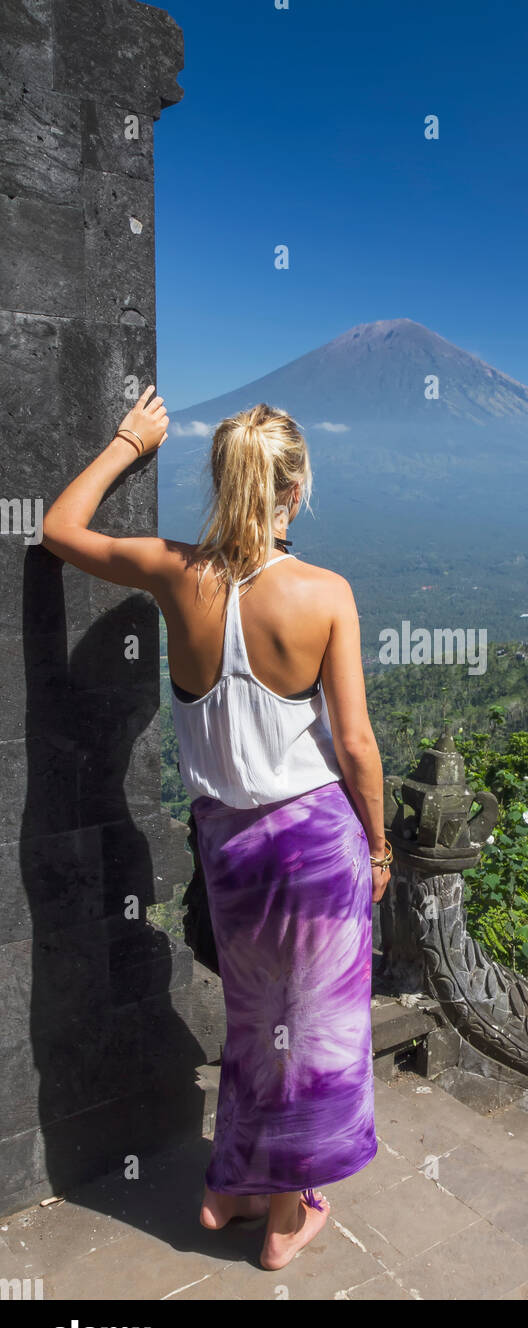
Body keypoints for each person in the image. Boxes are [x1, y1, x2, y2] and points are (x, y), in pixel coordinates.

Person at [40, 386, 391, 1272]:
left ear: (224, 480)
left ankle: (228, 1186)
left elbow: (58, 529)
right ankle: (282, 1219)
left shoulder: (172, 572)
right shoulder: (323, 593)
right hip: (314, 844)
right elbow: (354, 744)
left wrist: (128, 440)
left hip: (227, 844)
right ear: (295, 488)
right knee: (311, 1032)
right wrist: (380, 847)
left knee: (254, 1021)